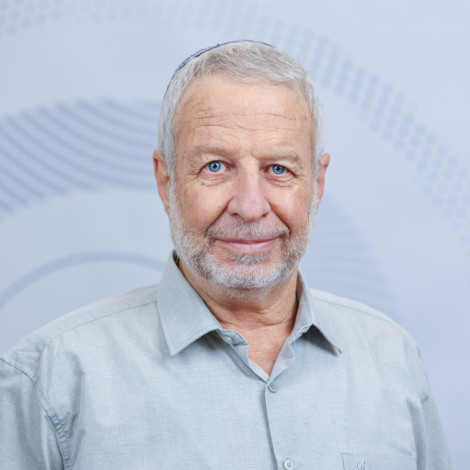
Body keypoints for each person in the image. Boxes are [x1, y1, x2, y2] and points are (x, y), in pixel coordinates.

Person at [0, 41, 452, 470]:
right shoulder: (51, 378)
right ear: (166, 181)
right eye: (215, 166)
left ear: (317, 184)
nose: (250, 206)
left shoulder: (392, 358)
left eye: (279, 169)